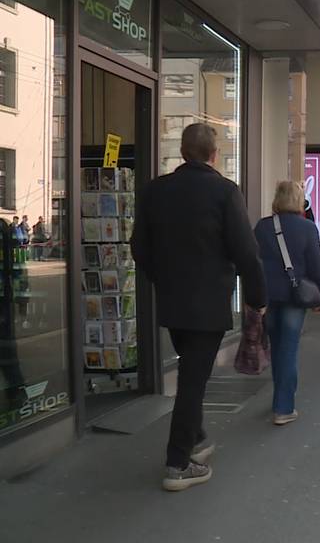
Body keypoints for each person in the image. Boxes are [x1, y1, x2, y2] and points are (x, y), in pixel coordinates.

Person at [131, 123, 266, 492]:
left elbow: (139, 247)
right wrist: (257, 298)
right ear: (213, 154)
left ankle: (198, 437)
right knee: (193, 382)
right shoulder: (224, 191)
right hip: (208, 304)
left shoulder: (154, 191)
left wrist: (164, 278)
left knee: (191, 375)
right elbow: (246, 251)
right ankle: (177, 464)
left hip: (173, 301)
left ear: (182, 152)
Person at [254, 182, 320, 426]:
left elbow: (254, 264)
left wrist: (252, 298)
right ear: (298, 200)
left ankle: (279, 398)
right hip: (295, 298)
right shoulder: (307, 228)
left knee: (277, 347)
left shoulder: (263, 227)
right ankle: (284, 407)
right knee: (289, 349)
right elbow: (316, 266)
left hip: (268, 297)